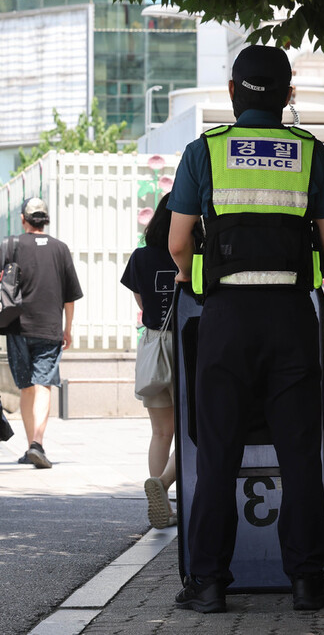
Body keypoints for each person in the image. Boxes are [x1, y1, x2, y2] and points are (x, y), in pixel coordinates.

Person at [166, 45, 324, 613]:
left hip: (224, 319)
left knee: (218, 451)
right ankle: (306, 581)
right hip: (291, 318)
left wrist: (190, 275)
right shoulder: (311, 153)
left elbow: (177, 241)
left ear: (231, 92)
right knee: (300, 454)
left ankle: (209, 583)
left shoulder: (205, 153)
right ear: (288, 93)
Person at [121, 194, 201, 529]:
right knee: (194, 430)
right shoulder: (197, 253)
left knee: (160, 431)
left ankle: (161, 501)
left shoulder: (140, 257)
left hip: (154, 344)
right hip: (192, 343)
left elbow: (142, 302)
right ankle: (166, 482)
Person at [0, 197, 83, 469]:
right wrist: (68, 329)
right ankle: (36, 444)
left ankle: (32, 445)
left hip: (17, 327)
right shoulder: (60, 249)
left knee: (26, 387)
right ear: (46, 218)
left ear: (23, 219)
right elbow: (70, 296)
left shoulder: (10, 245)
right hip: (50, 328)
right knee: (44, 386)